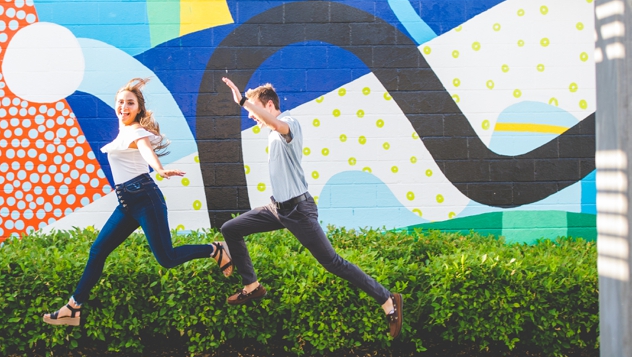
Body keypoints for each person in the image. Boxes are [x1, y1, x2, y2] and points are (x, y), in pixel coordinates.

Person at [218, 77, 404, 339]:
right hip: (278, 208)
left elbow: (277, 124)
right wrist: (249, 105)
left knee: (333, 263)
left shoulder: (289, 124)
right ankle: (252, 285)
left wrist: (242, 100)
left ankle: (387, 300)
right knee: (231, 229)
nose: (251, 116)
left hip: (298, 210)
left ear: (269, 105)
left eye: (254, 110)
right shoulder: (272, 133)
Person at [43, 78, 233, 326]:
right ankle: (74, 307)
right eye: (120, 102)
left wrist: (160, 169)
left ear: (139, 109)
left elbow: (146, 150)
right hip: (126, 203)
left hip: (145, 198)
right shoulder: (122, 133)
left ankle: (214, 249)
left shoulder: (137, 132)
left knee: (167, 258)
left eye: (130, 103)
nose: (124, 106)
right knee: (98, 250)